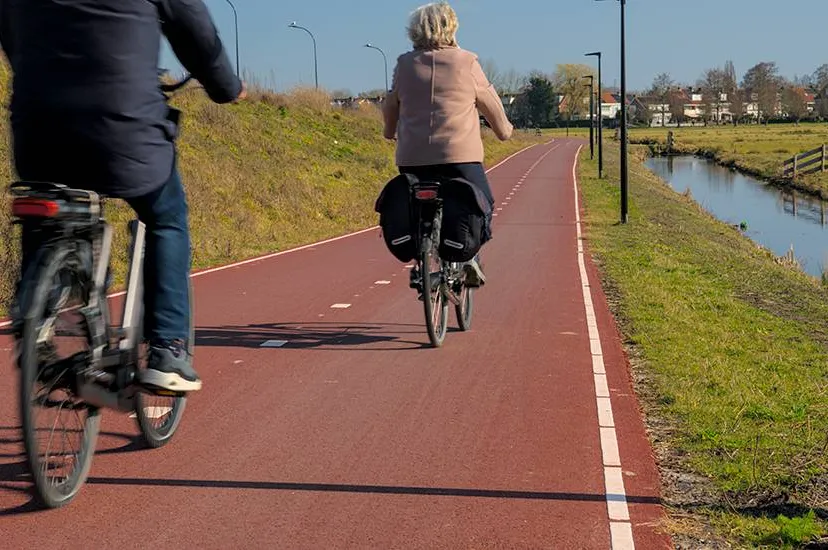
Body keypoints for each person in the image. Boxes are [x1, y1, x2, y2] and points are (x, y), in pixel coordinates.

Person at [0, 0, 245, 392]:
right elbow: (193, 28)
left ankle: (35, 322)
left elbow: (9, 30)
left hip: (38, 124)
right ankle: (168, 348)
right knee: (165, 216)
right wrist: (226, 86)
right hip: (122, 123)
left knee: (43, 207)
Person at [382, 1, 513, 289]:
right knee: (483, 203)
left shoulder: (404, 65)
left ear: (414, 30)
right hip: (459, 157)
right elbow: (490, 103)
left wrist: (389, 131)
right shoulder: (466, 62)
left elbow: (391, 104)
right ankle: (469, 259)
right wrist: (504, 130)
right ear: (451, 26)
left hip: (412, 157)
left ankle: (421, 258)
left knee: (414, 202)